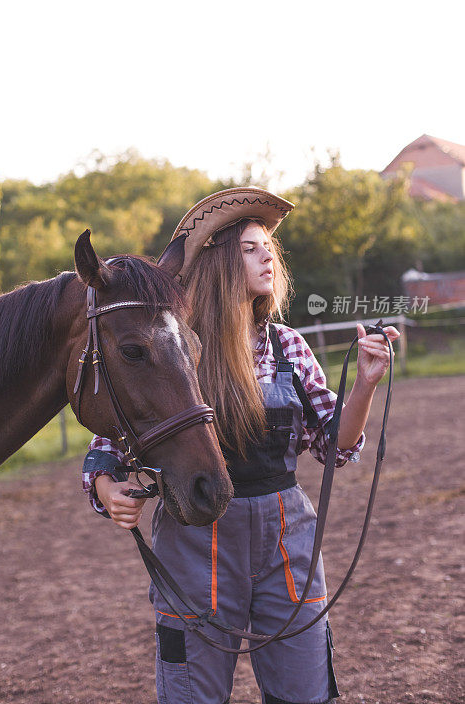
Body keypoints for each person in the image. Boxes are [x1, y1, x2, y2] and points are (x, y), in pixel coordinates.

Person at [82, 187, 399, 704]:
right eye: (251, 248)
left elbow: (334, 446)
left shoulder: (289, 344)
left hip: (287, 536)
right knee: (194, 694)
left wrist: (364, 384)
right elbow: (106, 447)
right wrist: (105, 485)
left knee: (305, 691)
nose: (267, 255)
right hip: (195, 541)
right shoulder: (176, 346)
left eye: (269, 247)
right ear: (221, 262)